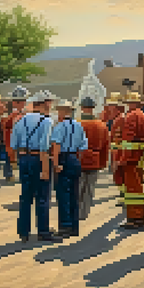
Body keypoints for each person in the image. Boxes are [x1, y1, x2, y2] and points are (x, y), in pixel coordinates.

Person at [12, 90, 62, 242]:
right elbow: (43, 147)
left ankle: (23, 231)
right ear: (45, 103)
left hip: (24, 159)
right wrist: (45, 169)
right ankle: (43, 231)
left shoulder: (20, 120)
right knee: (42, 196)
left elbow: (14, 144)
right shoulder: (46, 121)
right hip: (38, 159)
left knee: (25, 196)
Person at [51, 100, 88, 237]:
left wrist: (56, 164)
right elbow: (83, 147)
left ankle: (65, 226)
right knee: (74, 194)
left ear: (62, 112)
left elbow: (56, 146)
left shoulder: (59, 127)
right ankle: (74, 227)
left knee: (63, 194)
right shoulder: (79, 126)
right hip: (74, 158)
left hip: (63, 159)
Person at [117, 91, 144, 230]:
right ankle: (139, 216)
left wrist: (123, 158)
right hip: (140, 156)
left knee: (132, 190)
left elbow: (128, 139)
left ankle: (134, 218)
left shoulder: (131, 116)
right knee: (138, 187)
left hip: (131, 158)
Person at [77, 96, 110, 220]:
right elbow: (105, 147)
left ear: (82, 108)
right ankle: (84, 212)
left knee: (78, 187)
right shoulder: (101, 125)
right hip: (95, 159)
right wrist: (103, 163)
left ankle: (77, 211)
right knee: (89, 188)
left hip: (79, 158)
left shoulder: (77, 124)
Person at [3, 86, 30, 183]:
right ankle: (9, 173)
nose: (22, 103)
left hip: (23, 139)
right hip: (12, 138)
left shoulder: (26, 113)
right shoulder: (11, 114)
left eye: (22, 101)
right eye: (19, 101)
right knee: (9, 155)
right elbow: (7, 126)